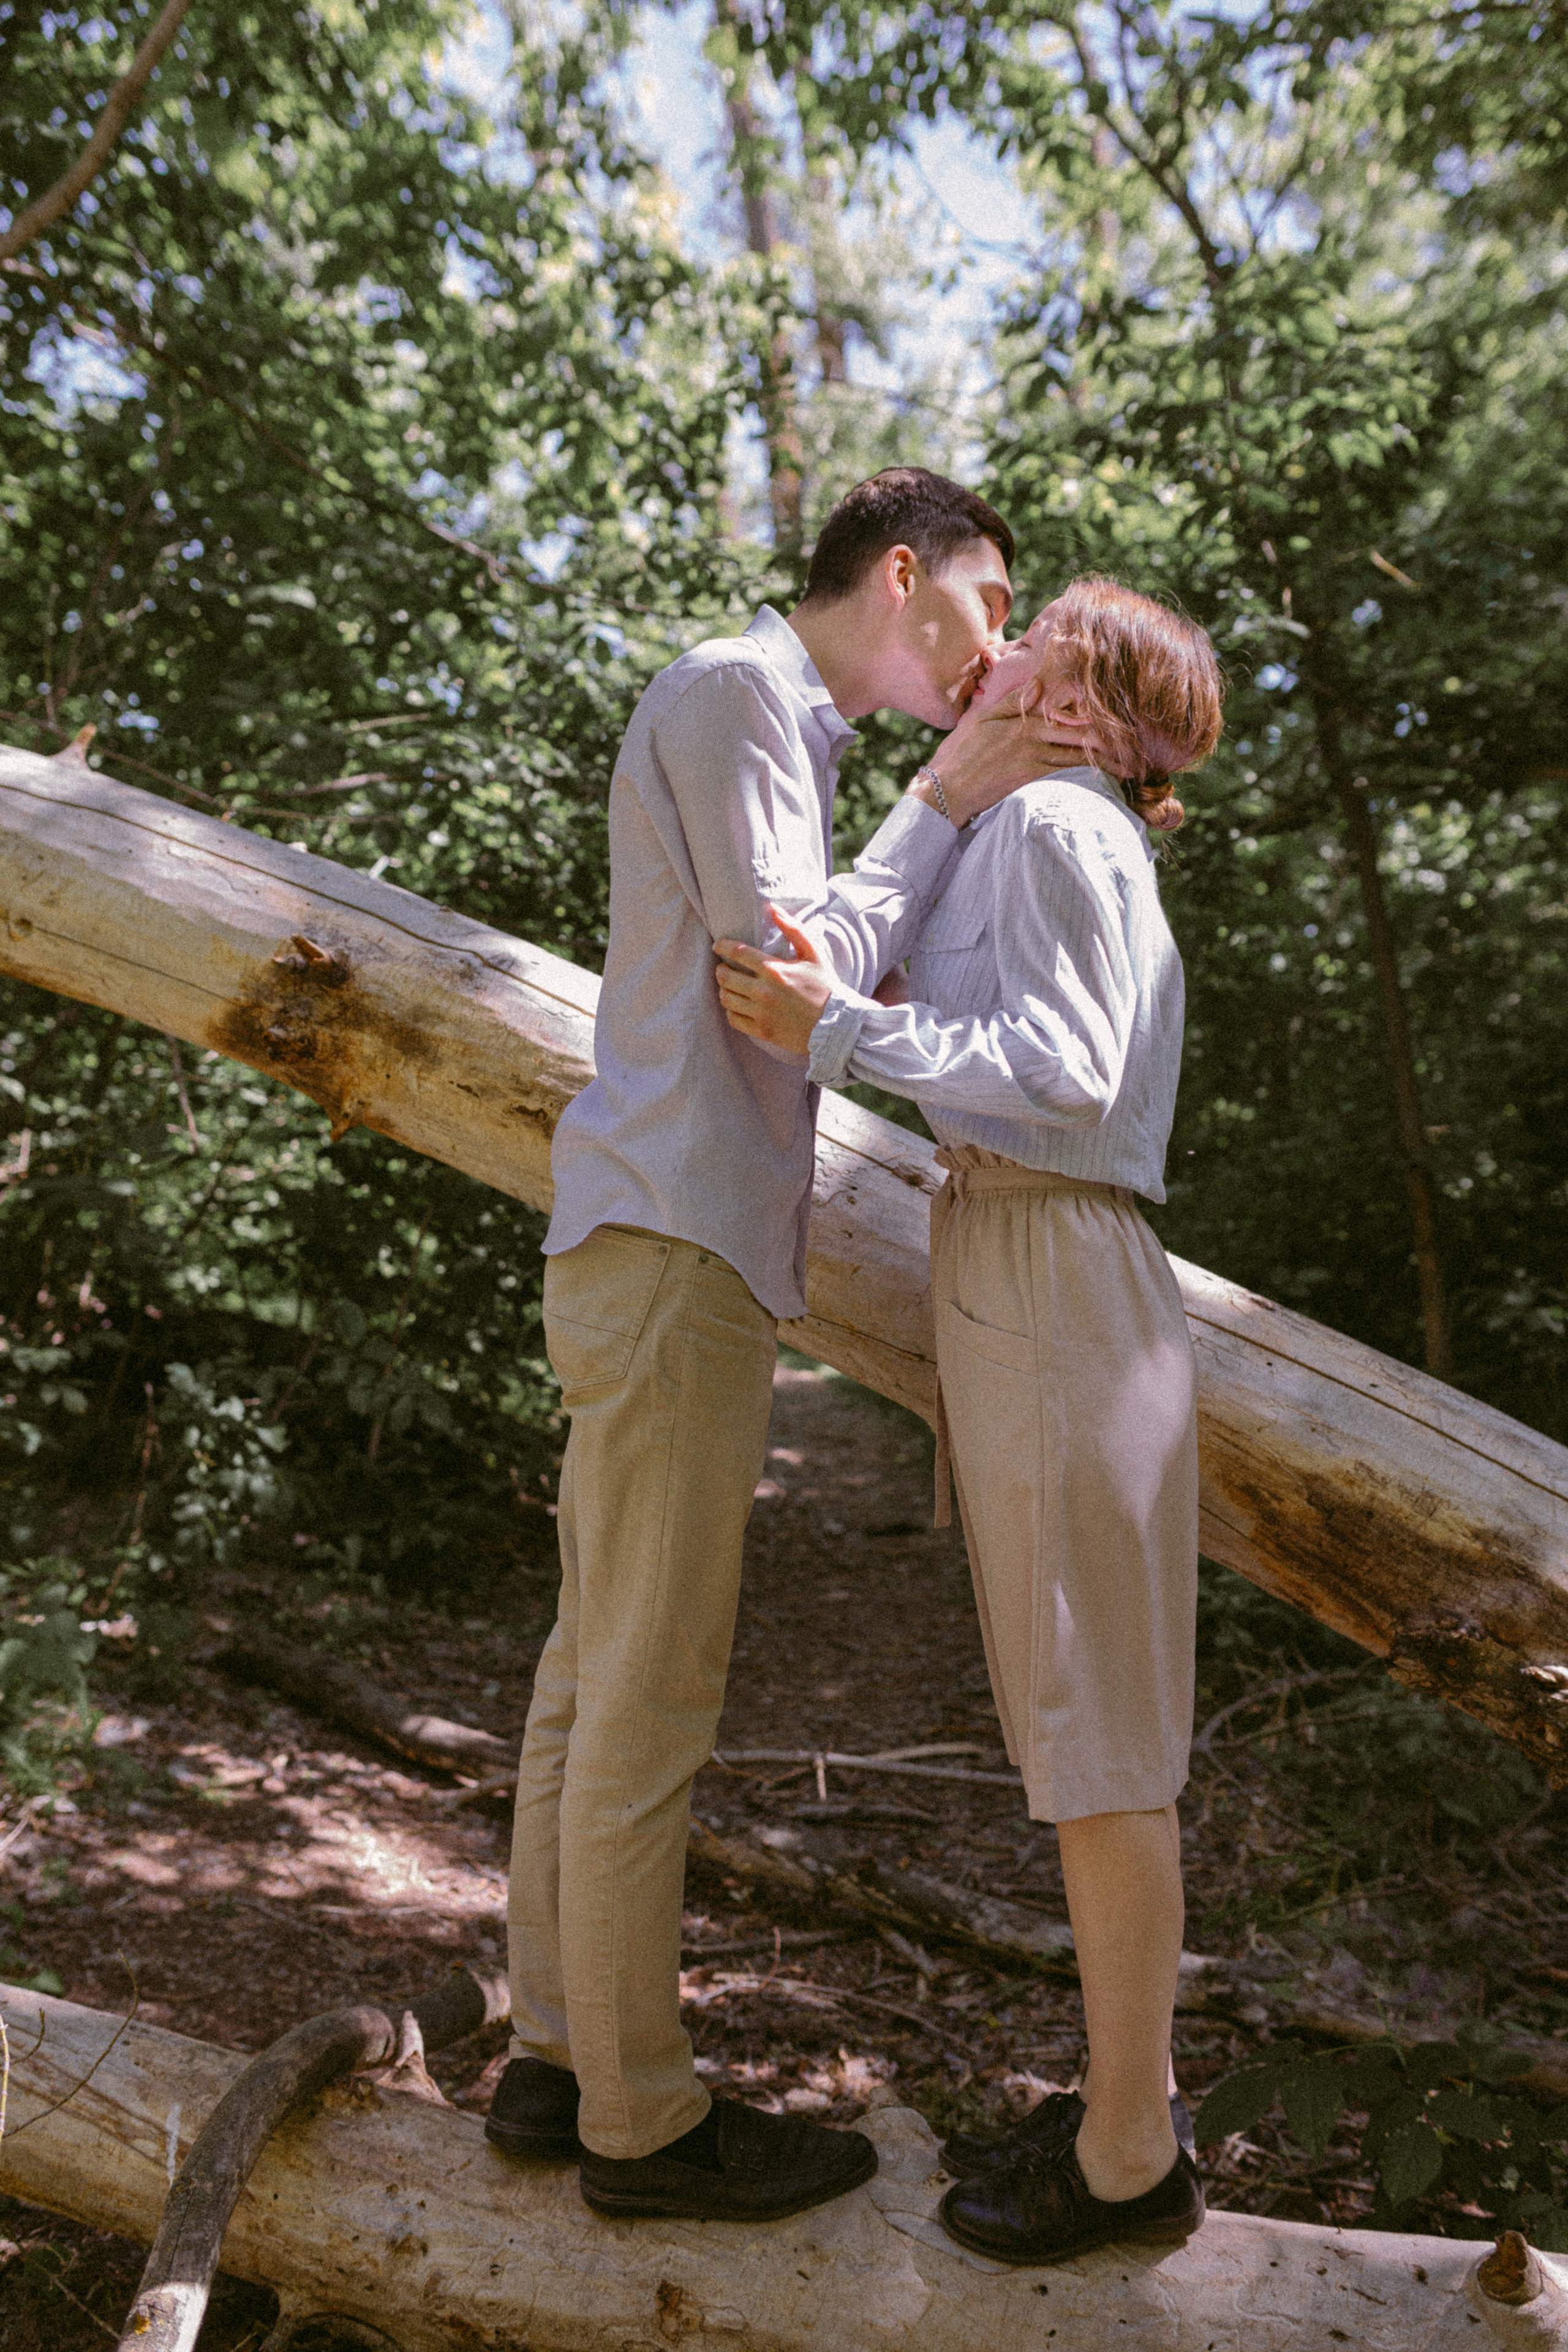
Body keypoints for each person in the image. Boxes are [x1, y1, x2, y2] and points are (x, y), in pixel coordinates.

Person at [488, 469, 1067, 2226]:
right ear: (908, 577)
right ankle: (642, 2129)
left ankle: (555, 2062)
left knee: (596, 1668)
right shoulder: (740, 694)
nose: (1004, 641)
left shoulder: (760, 717)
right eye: (991, 601)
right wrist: (949, 797)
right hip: (671, 1242)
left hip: (653, 1234)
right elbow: (782, 972)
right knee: (646, 1686)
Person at [712, 575, 1225, 2266]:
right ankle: (1118, 2106)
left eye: (1035, 638)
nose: (992, 656)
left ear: (1082, 704)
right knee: (1077, 1721)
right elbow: (900, 943)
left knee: (1100, 1734)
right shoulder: (1025, 825)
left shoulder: (1065, 833)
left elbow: (1066, 1069)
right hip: (1023, 1254)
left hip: (1058, 1260)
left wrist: (834, 1031)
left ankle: (1133, 2153)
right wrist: (931, 814)